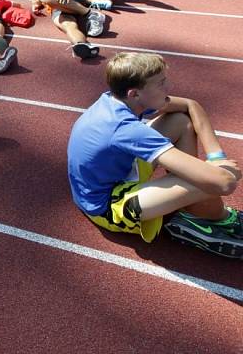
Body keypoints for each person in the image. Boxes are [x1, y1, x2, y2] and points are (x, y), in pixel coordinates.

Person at [68, 52, 242, 258]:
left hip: (118, 174)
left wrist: (216, 157)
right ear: (134, 93)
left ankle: (195, 211)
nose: (168, 87)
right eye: (161, 83)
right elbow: (224, 184)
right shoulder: (126, 129)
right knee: (213, 180)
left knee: (180, 121)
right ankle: (210, 220)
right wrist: (224, 171)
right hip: (108, 207)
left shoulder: (118, 99)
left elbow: (190, 105)